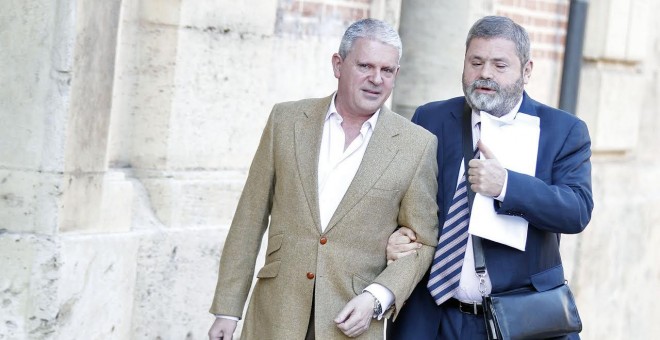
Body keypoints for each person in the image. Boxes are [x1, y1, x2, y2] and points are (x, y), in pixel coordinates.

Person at [207, 18, 439, 340]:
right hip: (275, 315)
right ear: (338, 65)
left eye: (387, 71)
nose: (376, 79)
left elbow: (423, 242)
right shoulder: (285, 121)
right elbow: (249, 218)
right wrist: (227, 309)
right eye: (365, 66)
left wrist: (377, 297)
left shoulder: (417, 145)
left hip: (351, 322)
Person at [386, 16, 593, 339]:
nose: (484, 74)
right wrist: (396, 235)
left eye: (500, 65)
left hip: (519, 322)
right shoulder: (431, 118)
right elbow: (401, 197)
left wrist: (507, 186)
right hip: (434, 319)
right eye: (476, 62)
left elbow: (576, 211)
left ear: (526, 71)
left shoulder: (562, 131)